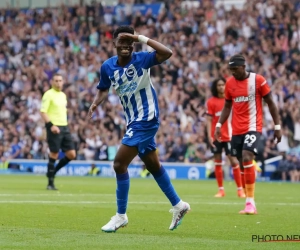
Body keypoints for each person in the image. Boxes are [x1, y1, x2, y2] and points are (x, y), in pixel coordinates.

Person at [88, 25, 190, 232]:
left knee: (119, 164)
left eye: (129, 43)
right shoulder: (107, 67)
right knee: (153, 166)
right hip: (133, 120)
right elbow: (103, 89)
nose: (126, 46)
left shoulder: (142, 59)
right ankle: (179, 205)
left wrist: (140, 37)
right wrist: (96, 103)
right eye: (122, 42)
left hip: (146, 119)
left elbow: (167, 53)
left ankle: (120, 216)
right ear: (114, 43)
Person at [214, 54, 282, 215]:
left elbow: (271, 103)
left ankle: (251, 203)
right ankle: (247, 200)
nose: (233, 73)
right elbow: (227, 106)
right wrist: (219, 124)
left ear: (243, 67)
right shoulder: (230, 83)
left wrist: (277, 126)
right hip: (236, 130)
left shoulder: (258, 81)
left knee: (246, 156)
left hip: (253, 126)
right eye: (230, 70)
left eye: (235, 69)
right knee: (242, 163)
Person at [206, 78, 245, 198]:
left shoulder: (230, 100)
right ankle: (221, 190)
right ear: (215, 87)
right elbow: (208, 120)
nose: (221, 87)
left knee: (234, 161)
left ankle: (240, 189)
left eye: (223, 85)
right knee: (217, 162)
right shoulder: (211, 102)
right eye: (219, 85)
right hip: (216, 137)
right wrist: (209, 136)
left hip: (229, 136)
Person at [40, 74, 76, 190]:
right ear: (52, 82)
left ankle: (52, 172)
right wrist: (51, 125)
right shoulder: (48, 94)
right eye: (56, 81)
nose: (58, 83)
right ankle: (50, 183)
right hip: (54, 127)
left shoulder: (63, 95)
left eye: (60, 80)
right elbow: (43, 112)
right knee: (54, 154)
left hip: (64, 127)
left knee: (71, 154)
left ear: (63, 82)